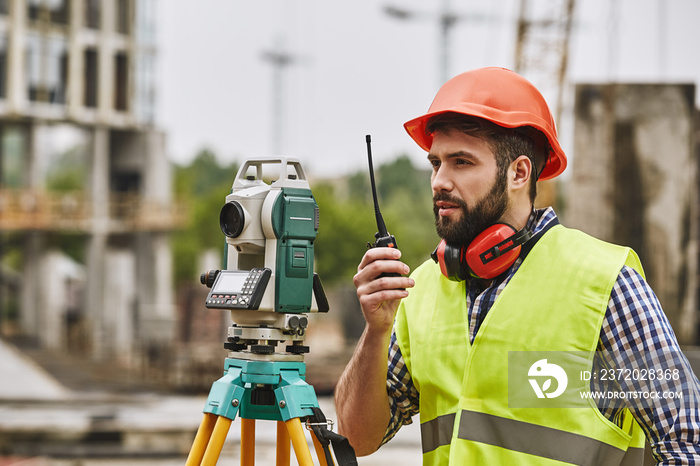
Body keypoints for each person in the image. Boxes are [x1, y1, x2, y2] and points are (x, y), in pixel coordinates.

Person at [334, 67, 700, 465]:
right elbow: (355, 438)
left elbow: (686, 440)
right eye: (435, 163)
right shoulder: (417, 291)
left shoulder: (604, 282)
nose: (439, 180)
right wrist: (376, 330)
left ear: (519, 172)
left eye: (462, 162)